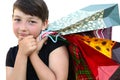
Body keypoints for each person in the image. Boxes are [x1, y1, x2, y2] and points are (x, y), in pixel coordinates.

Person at [6, 0, 74, 80]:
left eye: (31, 21)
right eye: (17, 20)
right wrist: (22, 54)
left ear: (44, 24)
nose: (22, 28)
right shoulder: (12, 53)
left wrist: (33, 54)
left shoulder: (56, 46)